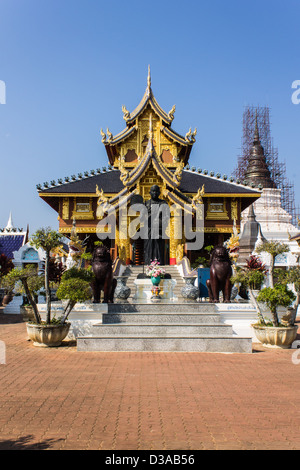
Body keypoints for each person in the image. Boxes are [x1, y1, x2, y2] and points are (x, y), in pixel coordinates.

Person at [144, 185, 169, 265]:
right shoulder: (146, 203)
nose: (154, 193)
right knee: (149, 248)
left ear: (159, 192)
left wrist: (158, 222)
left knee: (159, 248)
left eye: (156, 191)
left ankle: (159, 265)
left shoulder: (163, 203)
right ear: (150, 193)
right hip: (149, 230)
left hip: (159, 230)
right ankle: (148, 265)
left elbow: (167, 217)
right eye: (153, 191)